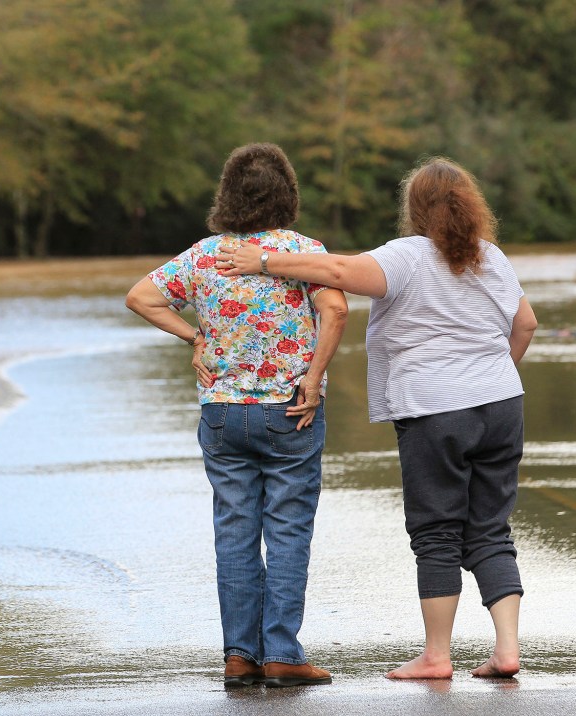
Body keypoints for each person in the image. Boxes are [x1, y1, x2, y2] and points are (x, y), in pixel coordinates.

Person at [216, 156, 538, 680]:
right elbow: (525, 323)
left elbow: (338, 272)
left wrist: (264, 261)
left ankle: (437, 656)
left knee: (436, 530)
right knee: (490, 527)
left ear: (413, 207)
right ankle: (506, 650)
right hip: (501, 404)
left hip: (435, 409)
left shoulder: (407, 257)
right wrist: (489, 377)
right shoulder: (490, 257)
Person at [126, 143, 348, 688]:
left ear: (225, 194)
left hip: (223, 414)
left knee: (235, 531)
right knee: (289, 529)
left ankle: (239, 656)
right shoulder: (302, 251)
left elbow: (140, 297)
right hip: (288, 411)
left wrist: (194, 336)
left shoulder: (204, 255)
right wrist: (314, 379)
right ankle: (282, 653)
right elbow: (336, 308)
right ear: (288, 193)